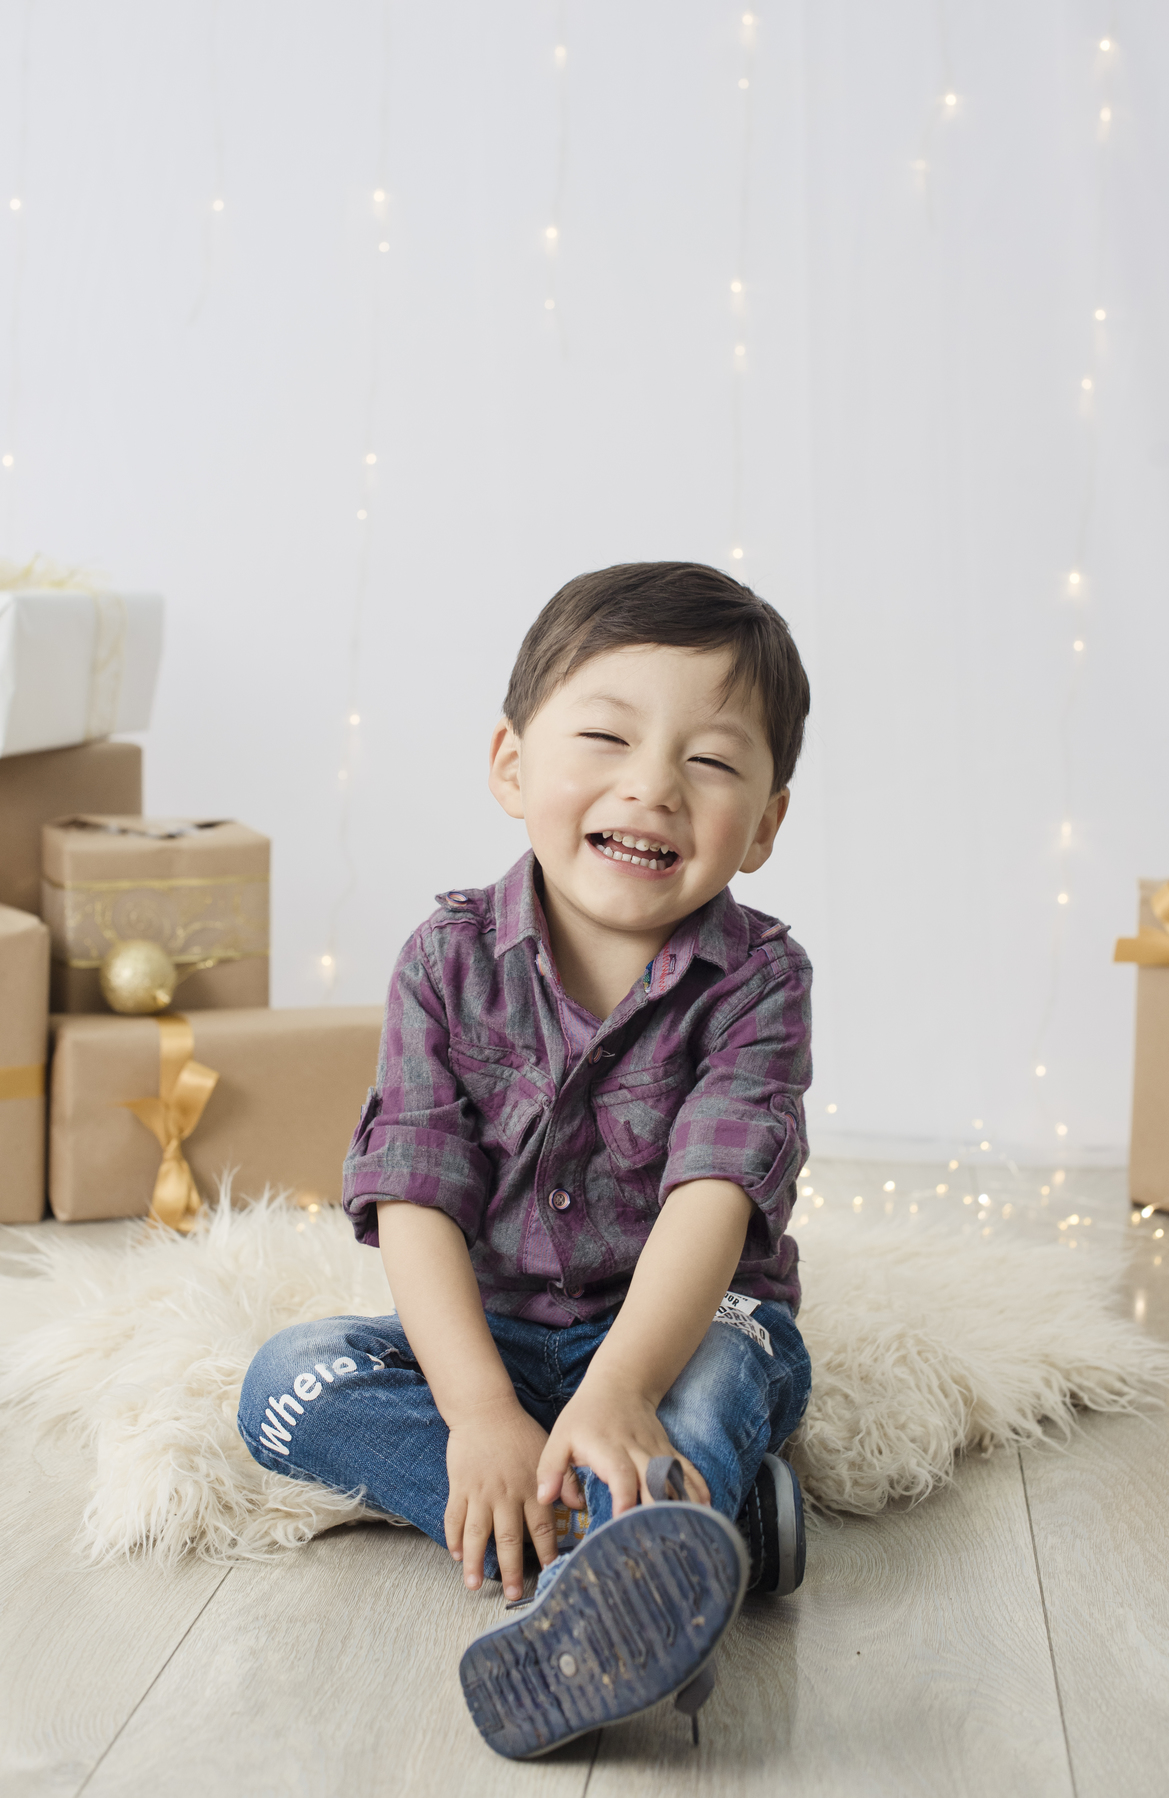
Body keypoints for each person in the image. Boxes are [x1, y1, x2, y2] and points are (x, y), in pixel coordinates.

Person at [238, 561, 814, 1759]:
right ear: (511, 765)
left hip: (687, 1324)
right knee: (284, 1382)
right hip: (497, 1337)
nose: (652, 785)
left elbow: (714, 1194)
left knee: (716, 1386)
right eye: (606, 736)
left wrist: (621, 1387)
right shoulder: (445, 959)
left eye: (709, 761)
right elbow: (415, 1197)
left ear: (764, 823)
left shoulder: (760, 979)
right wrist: (477, 1410)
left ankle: (584, 1616)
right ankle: (667, 1526)